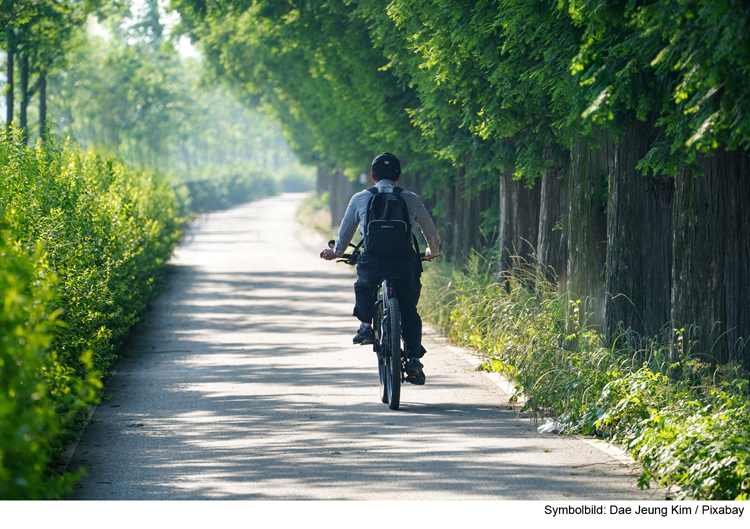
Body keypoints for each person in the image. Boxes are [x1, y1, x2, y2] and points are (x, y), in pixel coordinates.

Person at [319, 152, 441, 384]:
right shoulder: (409, 198)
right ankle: (413, 359)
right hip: (404, 262)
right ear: (398, 176)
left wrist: (335, 252)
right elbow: (429, 228)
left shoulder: (360, 198)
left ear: (373, 176)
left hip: (373, 262)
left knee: (364, 285)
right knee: (409, 310)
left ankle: (365, 326)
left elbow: (346, 232)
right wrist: (432, 252)